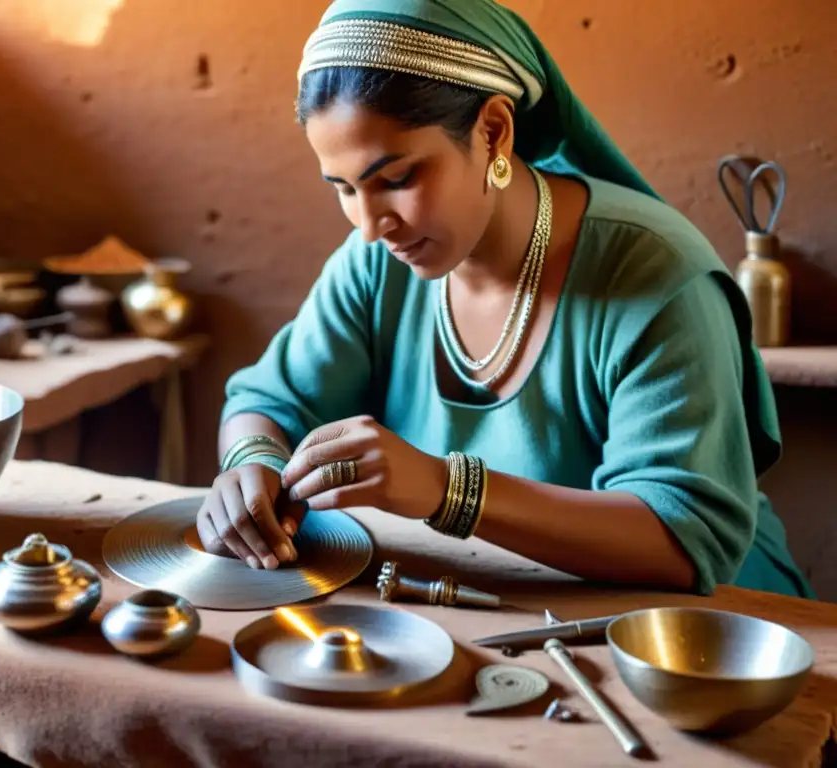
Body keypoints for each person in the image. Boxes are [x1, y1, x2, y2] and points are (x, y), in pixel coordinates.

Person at [195, 0, 814, 599]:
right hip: (483, 610)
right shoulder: (375, 263)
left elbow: (684, 539)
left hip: (700, 642)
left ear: (493, 131)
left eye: (397, 178)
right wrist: (252, 467)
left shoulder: (655, 277)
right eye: (344, 188)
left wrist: (447, 489)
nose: (368, 224)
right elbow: (270, 402)